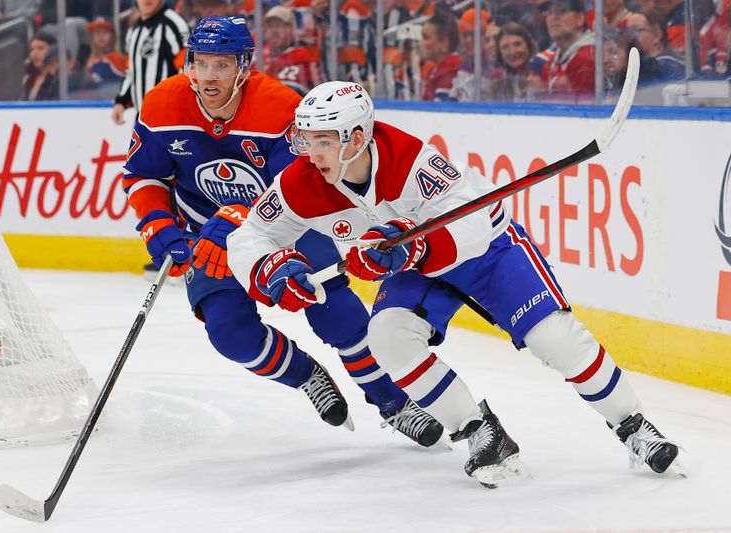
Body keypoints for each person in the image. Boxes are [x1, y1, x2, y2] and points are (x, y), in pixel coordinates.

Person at [226, 81, 684, 487]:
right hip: (416, 268)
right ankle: (480, 431)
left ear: (358, 139)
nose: (310, 152)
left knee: (556, 340)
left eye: (322, 141)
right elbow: (249, 235)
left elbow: (473, 221)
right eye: (305, 139)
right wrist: (270, 268)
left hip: (487, 251)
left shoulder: (412, 161)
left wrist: (411, 249)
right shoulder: (302, 182)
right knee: (387, 337)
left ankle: (634, 427)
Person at [122, 16, 444, 447]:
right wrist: (158, 226)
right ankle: (308, 376)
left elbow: (297, 186)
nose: (209, 76)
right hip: (208, 239)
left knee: (338, 315)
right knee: (230, 334)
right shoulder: (161, 105)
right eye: (201, 63)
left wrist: (238, 216)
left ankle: (393, 401)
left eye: (222, 64)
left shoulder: (279, 107)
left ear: (244, 66)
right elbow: (144, 177)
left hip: (287, 225)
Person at [112, 0, 190, 126]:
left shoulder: (174, 23)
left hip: (171, 117)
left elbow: (188, 68)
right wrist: (121, 102)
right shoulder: (134, 32)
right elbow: (131, 73)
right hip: (142, 117)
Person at [539, 0, 596, 102]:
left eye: (561, 11)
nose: (553, 17)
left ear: (580, 18)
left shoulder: (587, 58)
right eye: (549, 13)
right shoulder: (551, 61)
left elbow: (580, 111)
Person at [261, 5, 322, 95]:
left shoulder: (305, 58)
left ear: (291, 29)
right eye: (270, 26)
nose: (274, 31)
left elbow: (319, 94)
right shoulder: (258, 59)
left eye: (278, 26)